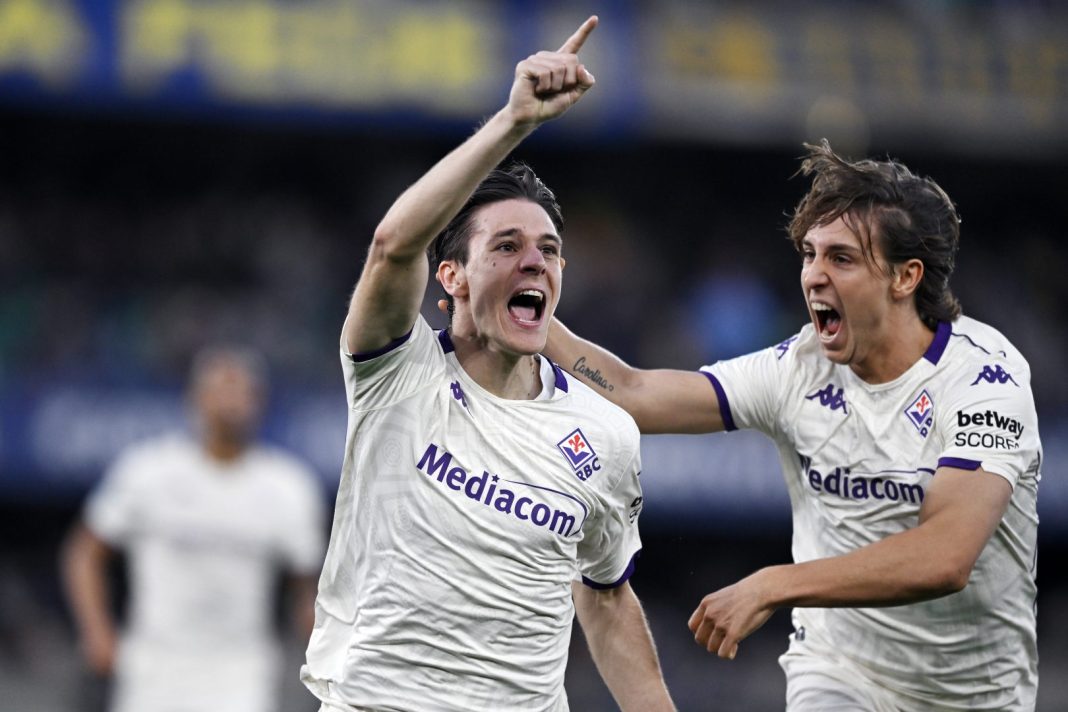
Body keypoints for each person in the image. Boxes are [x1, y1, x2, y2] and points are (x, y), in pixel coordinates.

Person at [546, 142, 1041, 711]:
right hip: (838, 671)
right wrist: (528, 312)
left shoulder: (984, 379)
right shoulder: (798, 369)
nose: (814, 276)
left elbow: (946, 556)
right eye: (810, 254)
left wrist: (774, 584)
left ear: (906, 277)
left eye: (842, 259)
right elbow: (634, 394)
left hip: (979, 693)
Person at [299, 16, 675, 712]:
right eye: (506, 246)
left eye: (549, 250)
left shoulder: (605, 435)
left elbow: (607, 596)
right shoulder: (397, 373)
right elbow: (392, 246)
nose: (535, 261)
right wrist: (514, 121)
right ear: (453, 277)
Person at [61, 346, 326, 712]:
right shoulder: (148, 471)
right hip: (154, 667)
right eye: (220, 389)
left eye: (241, 391)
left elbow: (308, 590)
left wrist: (322, 647)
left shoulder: (288, 487)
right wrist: (96, 630)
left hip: (241, 672)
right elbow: (85, 552)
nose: (230, 402)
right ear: (195, 398)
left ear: (260, 402)